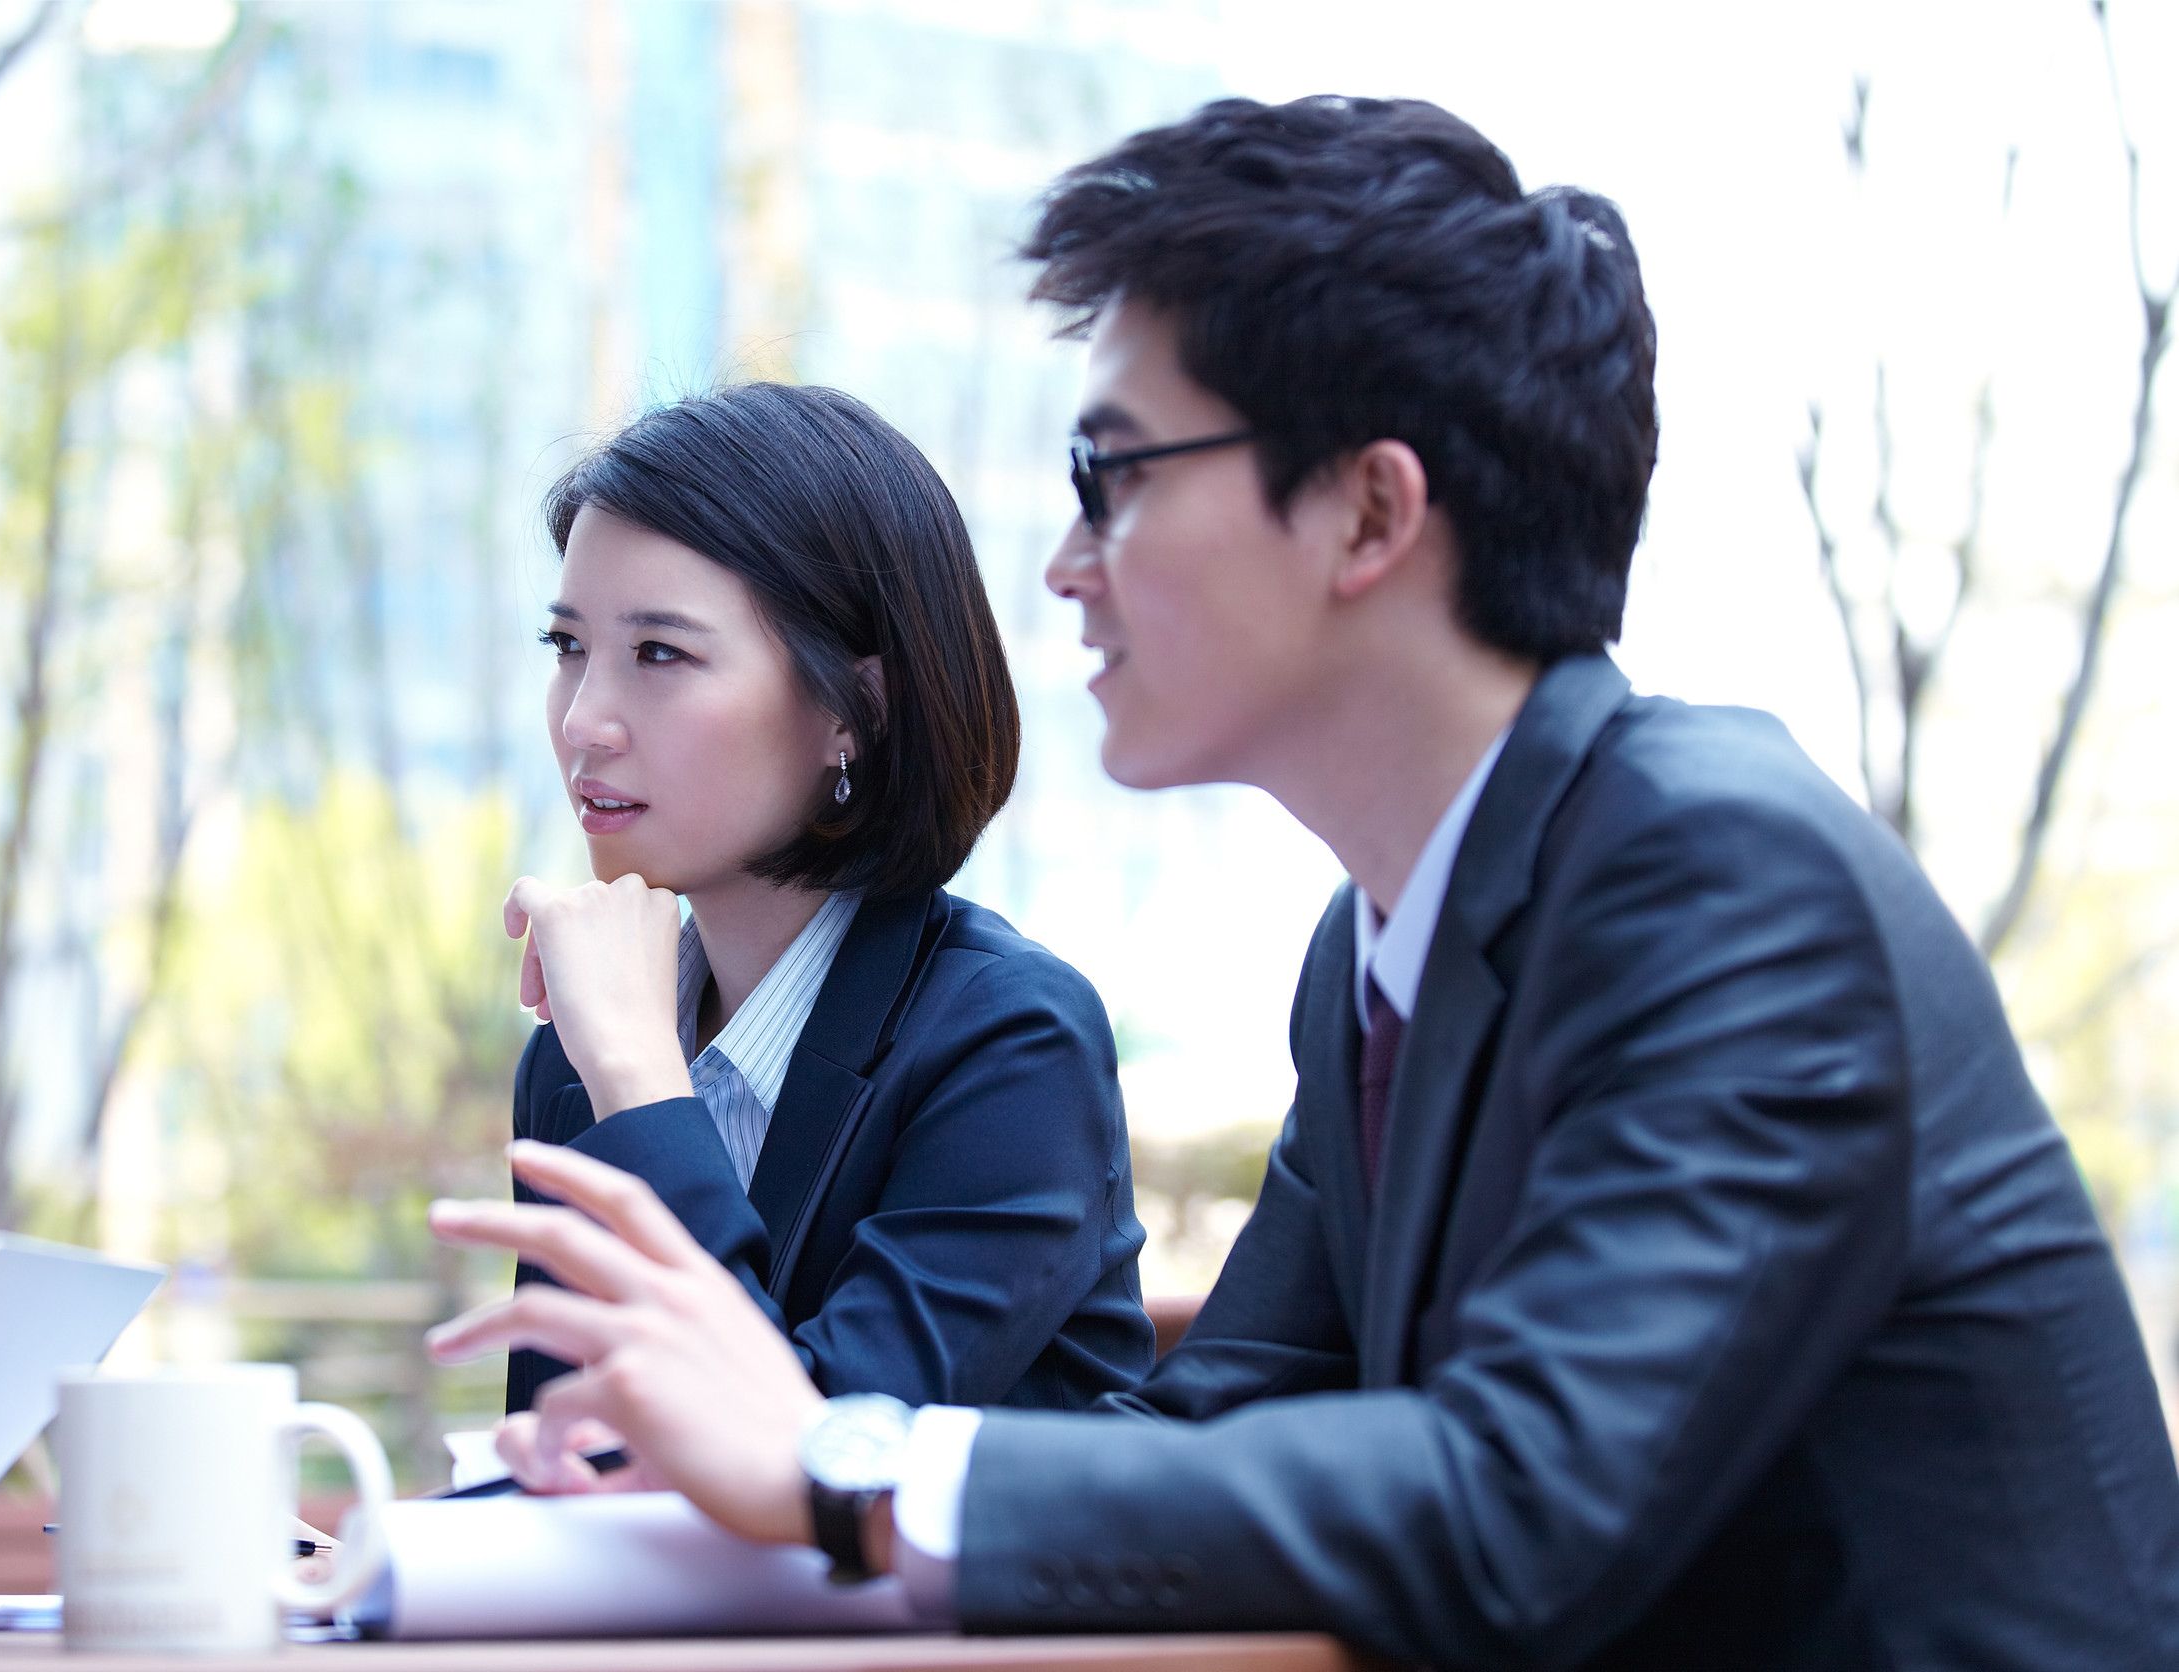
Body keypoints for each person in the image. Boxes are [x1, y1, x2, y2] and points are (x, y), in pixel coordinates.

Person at [427, 97, 2179, 1668]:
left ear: (1367, 515)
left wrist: (841, 1455)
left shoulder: (1718, 871)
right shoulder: (1375, 944)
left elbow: (1516, 1502)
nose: (1064, 564)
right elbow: (1210, 1435)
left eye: (1113, 477)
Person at [482, 382, 1152, 1472]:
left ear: (855, 707)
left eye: (660, 654)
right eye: (567, 645)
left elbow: (809, 1471)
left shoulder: (1010, 1042)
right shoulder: (578, 1058)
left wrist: (642, 1085)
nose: (584, 720)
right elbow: (575, 1465)